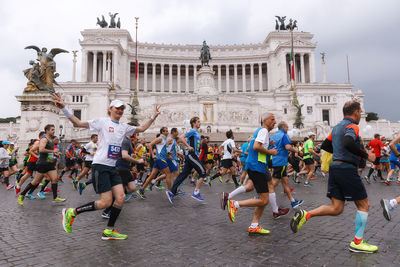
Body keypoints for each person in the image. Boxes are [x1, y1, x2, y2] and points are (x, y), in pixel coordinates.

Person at [55, 94, 160, 240]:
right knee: (105, 202)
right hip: (100, 165)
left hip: (112, 167)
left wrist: (153, 116)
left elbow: (141, 128)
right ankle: (72, 212)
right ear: (110, 109)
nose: (120, 110)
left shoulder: (124, 127)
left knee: (121, 197)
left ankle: (109, 231)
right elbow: (78, 123)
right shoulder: (102, 122)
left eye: (122, 108)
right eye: (117, 108)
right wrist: (64, 108)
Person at [290, 101, 378, 253]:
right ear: (356, 112)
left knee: (336, 208)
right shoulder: (352, 126)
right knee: (364, 205)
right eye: (360, 111)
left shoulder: (336, 127)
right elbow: (348, 141)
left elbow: (325, 145)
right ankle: (357, 242)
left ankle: (306, 214)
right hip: (346, 168)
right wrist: (366, 155)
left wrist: (339, 151)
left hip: (335, 168)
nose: (360, 114)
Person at [225, 113, 277, 235]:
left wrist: (269, 145)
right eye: (272, 119)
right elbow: (255, 146)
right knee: (264, 200)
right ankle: (235, 204)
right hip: (257, 166)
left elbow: (252, 147)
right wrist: (270, 152)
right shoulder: (263, 130)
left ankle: (254, 225)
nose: (275, 122)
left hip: (256, 166)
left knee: (262, 197)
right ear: (265, 120)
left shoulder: (259, 131)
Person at [18, 124, 65, 205]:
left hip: (50, 163)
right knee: (35, 181)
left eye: (54, 129)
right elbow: (42, 149)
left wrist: (55, 155)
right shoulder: (44, 139)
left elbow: (48, 151)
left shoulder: (51, 140)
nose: (54, 131)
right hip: (42, 164)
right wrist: (53, 151)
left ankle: (55, 197)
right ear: (47, 131)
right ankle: (22, 194)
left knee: (54, 179)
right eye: (52, 130)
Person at [166, 116, 207, 203]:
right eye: (198, 122)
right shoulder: (192, 131)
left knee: (183, 175)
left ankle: (171, 192)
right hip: (192, 155)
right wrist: (188, 146)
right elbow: (181, 137)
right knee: (203, 172)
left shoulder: (196, 132)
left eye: (200, 122)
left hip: (192, 155)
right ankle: (196, 193)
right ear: (194, 123)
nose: (200, 123)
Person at [270, 121, 303, 217]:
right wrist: (295, 150)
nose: (288, 129)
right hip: (281, 162)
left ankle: (293, 201)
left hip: (277, 161)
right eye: (287, 127)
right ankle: (261, 196)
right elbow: (288, 146)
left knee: (286, 182)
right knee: (274, 183)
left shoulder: (273, 136)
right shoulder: (284, 135)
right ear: (283, 127)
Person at [380, 132, 400, 221]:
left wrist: (399, 155)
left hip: (393, 157)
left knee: (391, 169)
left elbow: (391, 144)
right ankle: (391, 203)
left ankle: (391, 203)